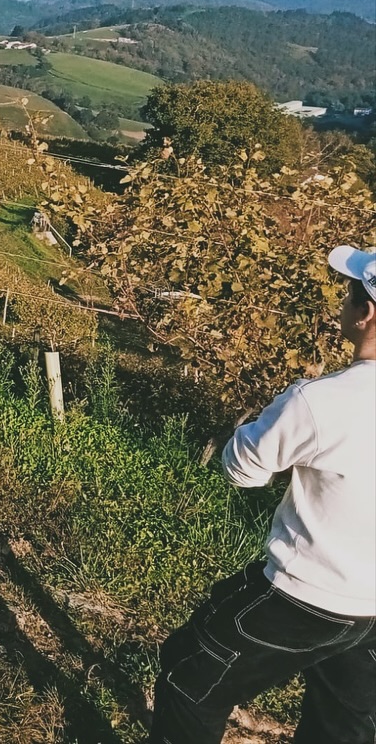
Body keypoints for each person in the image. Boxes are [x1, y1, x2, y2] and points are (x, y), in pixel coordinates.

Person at [149, 245, 376, 744]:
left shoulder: (320, 402)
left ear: (366, 313)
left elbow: (243, 469)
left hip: (303, 596)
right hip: (370, 606)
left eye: (348, 294)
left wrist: (263, 429)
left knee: (190, 681)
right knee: (344, 723)